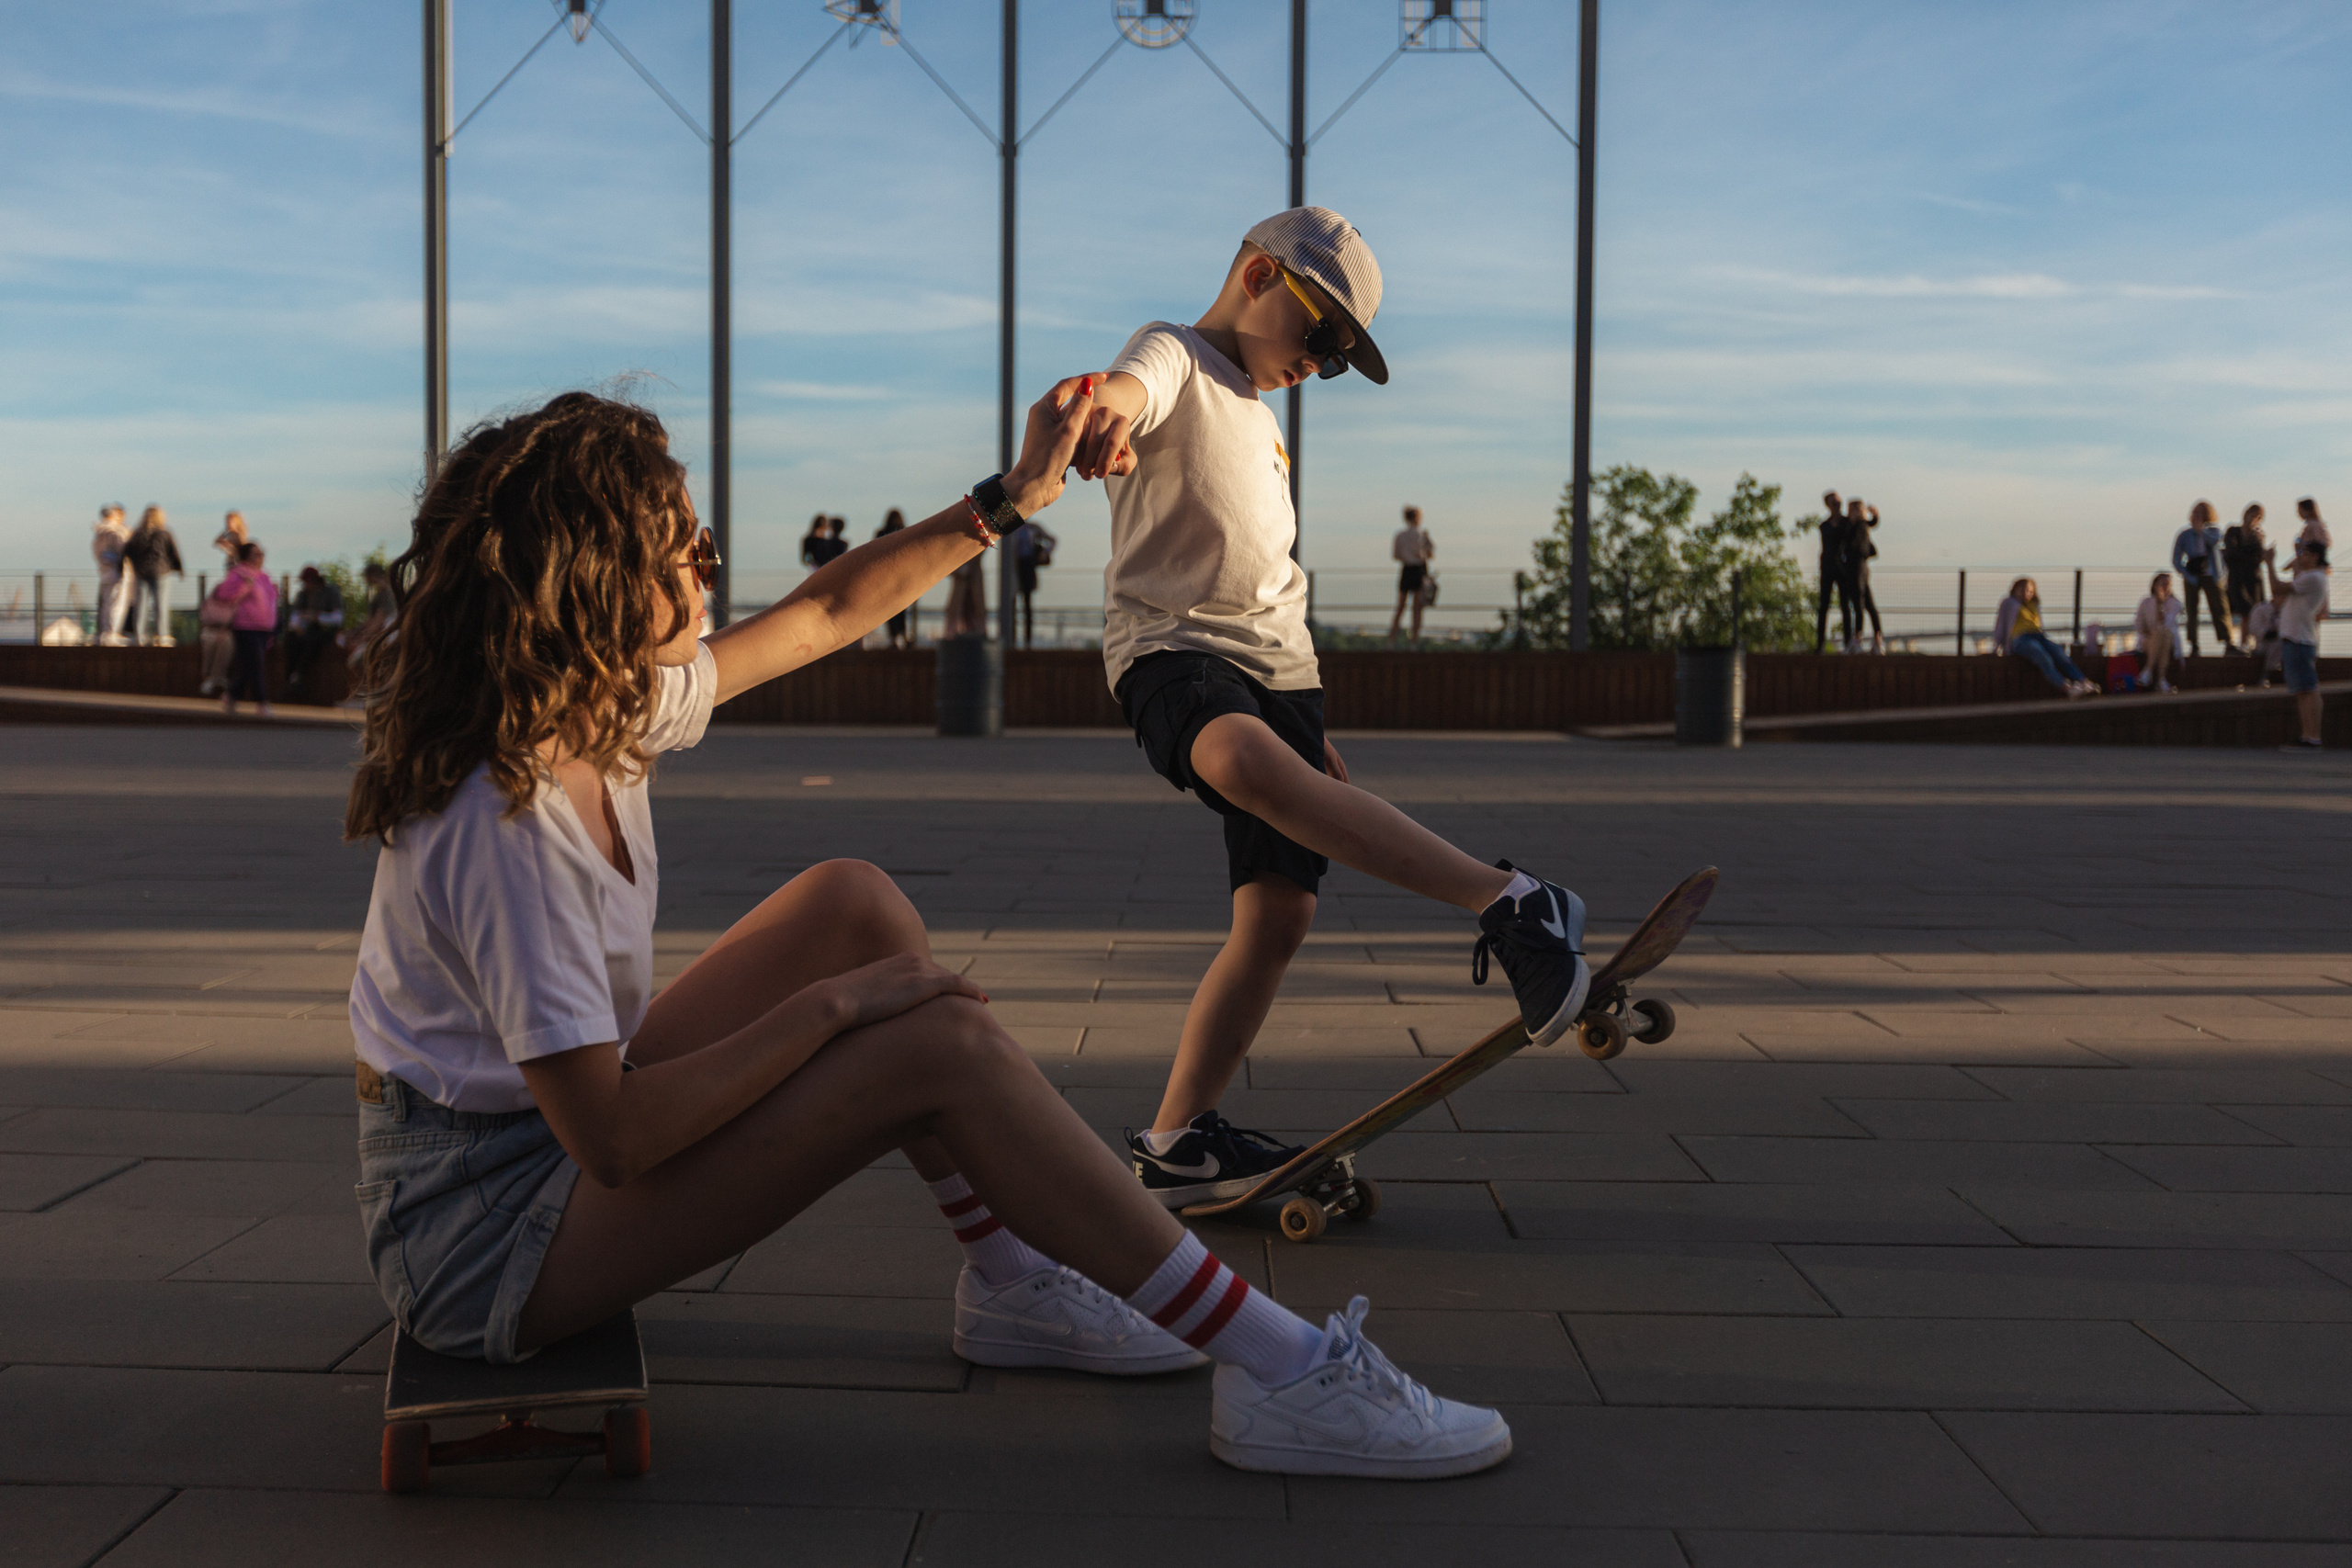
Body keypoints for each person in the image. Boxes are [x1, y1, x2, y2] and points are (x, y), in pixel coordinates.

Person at [343, 386, 1510, 1480]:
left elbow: (825, 611)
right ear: (593, 573)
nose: (708, 562)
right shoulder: (505, 818)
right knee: (928, 1048)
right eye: (681, 545)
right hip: (479, 1238)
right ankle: (1285, 1371)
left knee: (854, 905)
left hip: (530, 1150)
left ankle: (1012, 1284)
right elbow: (614, 1139)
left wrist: (1007, 497)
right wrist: (839, 1013)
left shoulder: (599, 701)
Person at [1057, 207, 1594, 1213]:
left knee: (1277, 915)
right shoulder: (1172, 353)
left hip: (1285, 678)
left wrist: (1313, 733)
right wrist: (1104, 410)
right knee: (1239, 764)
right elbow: (1129, 388)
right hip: (1175, 655)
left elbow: (1267, 574)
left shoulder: (1260, 422)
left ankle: (1178, 1140)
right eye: (1319, 336)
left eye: (1339, 358)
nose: (1321, 365)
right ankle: (1511, 900)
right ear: (1258, 274)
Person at [2268, 538, 2330, 750]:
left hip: (2299, 639)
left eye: (2305, 553)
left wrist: (2268, 563)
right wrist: (2297, 559)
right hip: (2300, 638)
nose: (2300, 556)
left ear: (2314, 557)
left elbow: (2277, 588)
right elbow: (2294, 576)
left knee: (2307, 690)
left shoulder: (2313, 577)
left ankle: (2312, 737)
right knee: (2305, 690)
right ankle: (2309, 735)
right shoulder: (2312, 577)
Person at [1993, 578, 2095, 697]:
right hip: (2020, 638)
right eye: (2022, 590)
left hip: (2038, 636)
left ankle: (2083, 682)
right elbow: (2001, 625)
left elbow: (2039, 625)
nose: (2026, 594)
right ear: (2015, 589)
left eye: (2030, 591)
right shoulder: (2008, 602)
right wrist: (1997, 647)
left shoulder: (2034, 604)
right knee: (2042, 656)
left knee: (2059, 653)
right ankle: (2068, 688)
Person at [218, 541, 278, 716]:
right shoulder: (238, 574)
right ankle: (262, 702)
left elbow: (270, 601)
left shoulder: (264, 576)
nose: (260, 558)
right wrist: (245, 585)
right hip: (246, 626)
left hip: (264, 627)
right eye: (256, 554)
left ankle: (232, 695)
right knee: (256, 663)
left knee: (248, 666)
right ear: (246, 557)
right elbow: (225, 595)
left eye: (261, 554)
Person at [199, 512, 251, 694]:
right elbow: (216, 542)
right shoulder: (229, 537)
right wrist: (226, 534)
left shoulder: (242, 541)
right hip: (230, 584)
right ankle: (211, 678)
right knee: (213, 640)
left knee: (225, 641)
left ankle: (215, 678)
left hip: (236, 588)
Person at [118, 506, 185, 647]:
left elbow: (126, 551)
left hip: (141, 572)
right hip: (161, 572)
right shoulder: (164, 533)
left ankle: (139, 636)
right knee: (161, 605)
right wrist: (179, 568)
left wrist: (125, 567)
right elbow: (173, 551)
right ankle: (162, 635)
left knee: (140, 605)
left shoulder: (137, 534)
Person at [2172, 501, 2233, 656]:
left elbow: (2214, 542)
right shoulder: (2184, 535)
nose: (2196, 516)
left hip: (2212, 575)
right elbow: (2176, 558)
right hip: (2192, 576)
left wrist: (2200, 530)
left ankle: (2228, 642)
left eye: (2200, 513)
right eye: (2194, 513)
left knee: (2220, 608)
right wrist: (2186, 573)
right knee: (2191, 611)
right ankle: (2194, 644)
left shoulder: (2215, 531)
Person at [283, 565, 345, 703]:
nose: (305, 585)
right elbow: (295, 616)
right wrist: (297, 627)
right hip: (306, 631)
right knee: (291, 639)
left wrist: (317, 617)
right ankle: (291, 677)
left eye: (307, 582)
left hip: (325, 631)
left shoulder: (330, 593)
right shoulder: (302, 595)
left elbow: (338, 618)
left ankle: (299, 675)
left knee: (312, 641)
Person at [338, 560, 397, 707]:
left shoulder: (385, 594)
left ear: (372, 576)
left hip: (387, 638)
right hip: (384, 636)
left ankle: (369, 696)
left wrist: (363, 638)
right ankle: (370, 696)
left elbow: (378, 621)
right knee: (363, 662)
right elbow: (370, 621)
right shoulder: (381, 594)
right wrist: (355, 633)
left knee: (361, 661)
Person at [1842, 498, 1884, 652]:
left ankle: (1859, 639)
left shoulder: (1859, 525)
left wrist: (1874, 515)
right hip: (1858, 568)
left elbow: (1871, 523)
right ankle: (1874, 637)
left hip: (1857, 567)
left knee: (1860, 603)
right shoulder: (1852, 525)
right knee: (1867, 604)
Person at [1389, 505, 1434, 645]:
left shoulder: (1400, 535)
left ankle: (1391, 641)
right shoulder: (1422, 535)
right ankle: (1413, 642)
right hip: (1419, 571)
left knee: (1400, 607)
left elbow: (1396, 555)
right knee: (1417, 609)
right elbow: (1430, 554)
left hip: (1406, 570)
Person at [1812, 491, 1851, 653]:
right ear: (1828, 505)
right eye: (1834, 503)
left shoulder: (1848, 522)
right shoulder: (1825, 525)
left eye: (1839, 502)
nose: (1837, 506)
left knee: (1845, 605)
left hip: (1843, 568)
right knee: (1824, 606)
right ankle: (1820, 644)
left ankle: (1848, 643)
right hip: (1828, 567)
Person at [1013, 515, 1057, 648]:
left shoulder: (1032, 528)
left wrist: (1043, 553)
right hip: (1016, 568)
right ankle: (1013, 639)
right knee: (1013, 604)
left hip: (1026, 567)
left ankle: (1027, 641)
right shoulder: (1015, 528)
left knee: (1027, 605)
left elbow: (1053, 540)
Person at [90, 506, 131, 646]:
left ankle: (105, 632)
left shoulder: (98, 532)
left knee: (106, 603)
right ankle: (112, 633)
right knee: (117, 603)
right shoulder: (115, 532)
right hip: (118, 571)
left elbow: (97, 553)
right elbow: (125, 549)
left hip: (104, 571)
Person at [2135, 571, 2180, 694]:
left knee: (2162, 634)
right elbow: (2139, 624)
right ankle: (2161, 681)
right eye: (2162, 584)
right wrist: (2149, 633)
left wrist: (2161, 606)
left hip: (2168, 638)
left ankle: (2147, 671)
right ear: (2155, 585)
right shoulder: (2146, 602)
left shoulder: (2175, 603)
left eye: (2168, 584)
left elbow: (2167, 625)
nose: (2165, 587)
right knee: (2161, 638)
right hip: (2148, 640)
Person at [874, 510, 911, 647]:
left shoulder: (881, 533)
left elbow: (874, 554)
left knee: (887, 608)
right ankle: (903, 635)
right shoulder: (906, 532)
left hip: (885, 575)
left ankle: (892, 638)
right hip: (901, 576)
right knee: (901, 608)